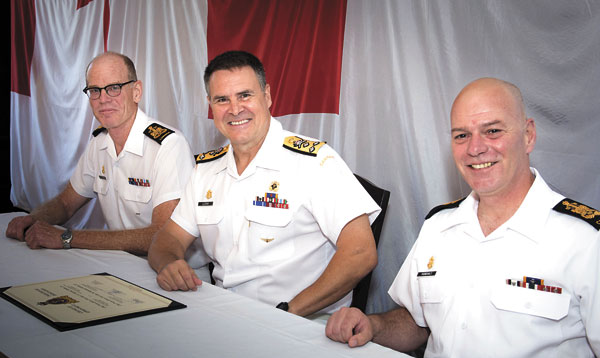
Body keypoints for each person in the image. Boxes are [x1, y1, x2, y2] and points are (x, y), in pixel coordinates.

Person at [326, 78, 599, 358]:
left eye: (493, 130)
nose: (475, 147)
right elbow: (417, 324)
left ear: (528, 136)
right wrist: (372, 326)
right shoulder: (438, 225)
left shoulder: (586, 239)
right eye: (461, 135)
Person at [148, 50, 381, 318]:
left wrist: (286, 312)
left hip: (302, 323)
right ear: (210, 105)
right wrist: (169, 263)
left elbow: (361, 252)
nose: (235, 109)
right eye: (222, 99)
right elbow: (167, 239)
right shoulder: (205, 170)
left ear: (267, 96)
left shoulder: (314, 162)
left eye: (245, 95)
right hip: (224, 315)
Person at [6, 52, 195, 256]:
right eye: (94, 90)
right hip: (122, 264)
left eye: (114, 88)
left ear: (136, 91)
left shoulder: (168, 145)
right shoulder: (99, 144)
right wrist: (33, 219)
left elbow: (163, 235)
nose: (103, 99)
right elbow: (66, 203)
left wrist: (68, 238)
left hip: (175, 272)